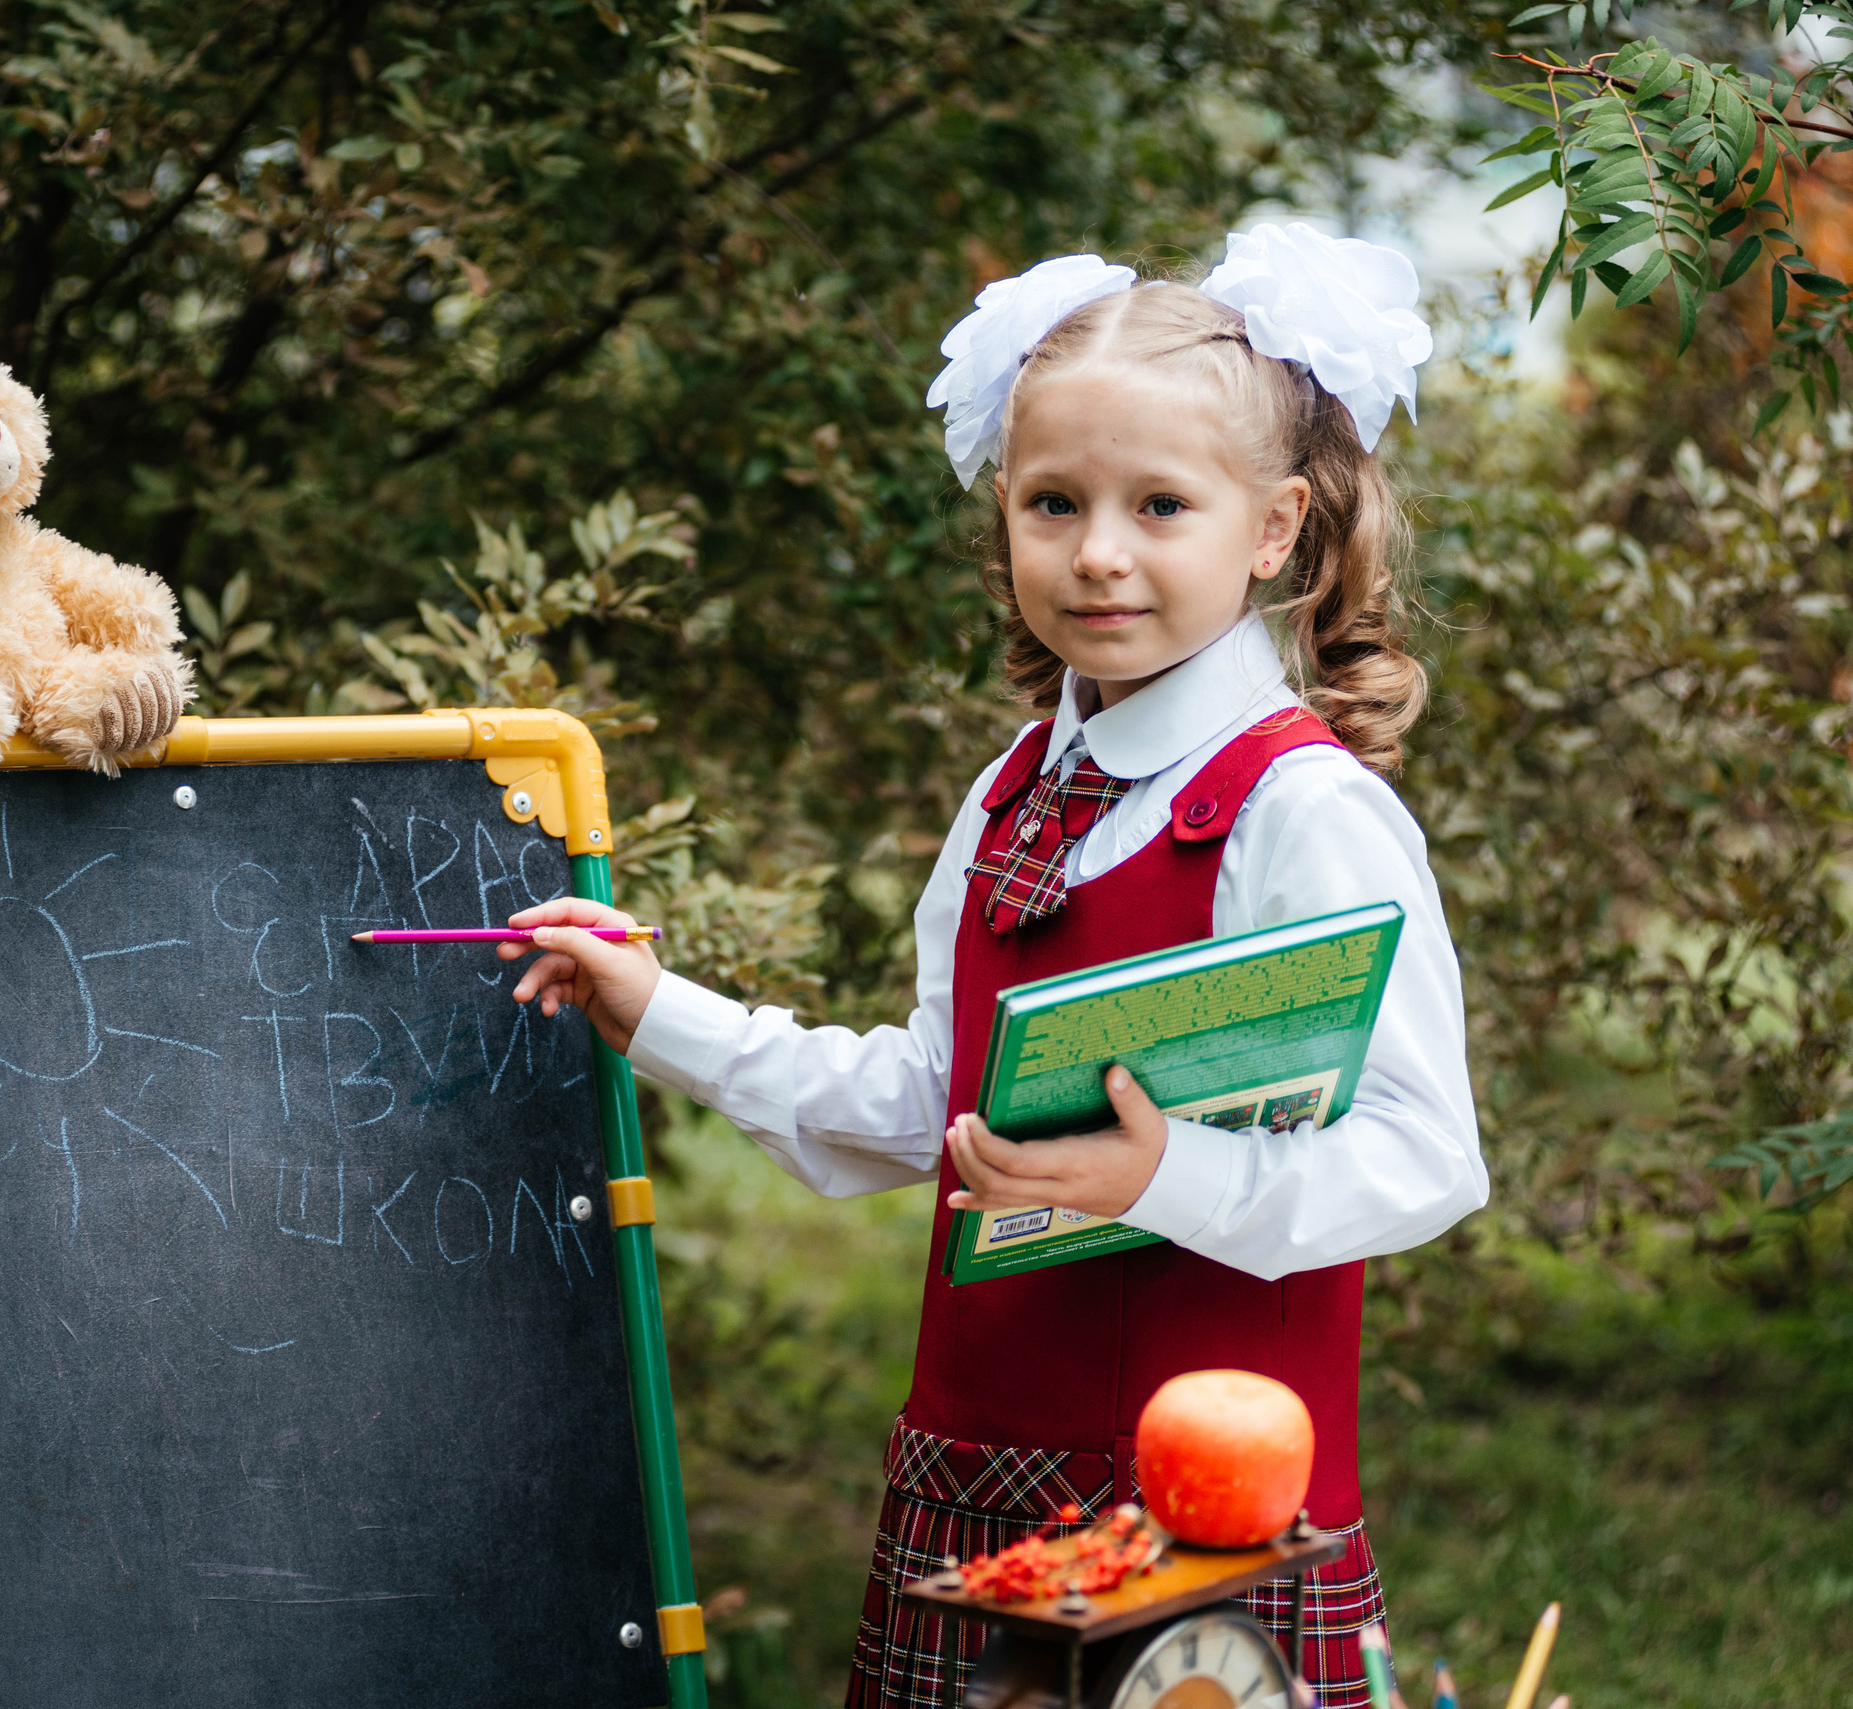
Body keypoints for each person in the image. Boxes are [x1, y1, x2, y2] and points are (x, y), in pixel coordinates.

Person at [499, 223, 1486, 1708]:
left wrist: (1163, 1178)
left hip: (1208, 1529)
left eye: (1162, 503)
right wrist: (659, 1015)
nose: (1098, 550)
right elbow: (933, 1099)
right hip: (974, 1496)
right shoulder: (1015, 788)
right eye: (1053, 502)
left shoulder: (1304, 810)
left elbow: (1426, 1156)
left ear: (1274, 525)